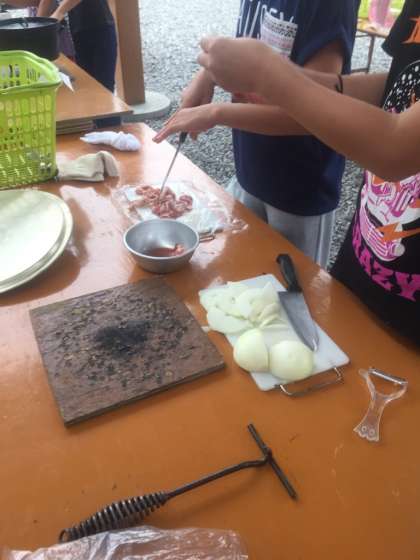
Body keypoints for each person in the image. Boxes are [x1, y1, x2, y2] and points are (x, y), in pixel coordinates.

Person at [194, 0, 420, 347]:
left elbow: (396, 151)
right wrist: (305, 84)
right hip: (365, 267)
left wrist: (269, 75)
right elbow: (398, 83)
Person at [154, 0, 361, 267]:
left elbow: (315, 112)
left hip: (299, 189)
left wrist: (217, 113)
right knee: (240, 269)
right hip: (249, 170)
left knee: (294, 284)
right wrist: (208, 74)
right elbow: (252, 44)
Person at [37, 0, 117, 94]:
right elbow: (46, 2)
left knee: (105, 86)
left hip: (101, 27)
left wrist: (59, 13)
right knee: (86, 85)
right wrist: (36, 27)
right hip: (78, 32)